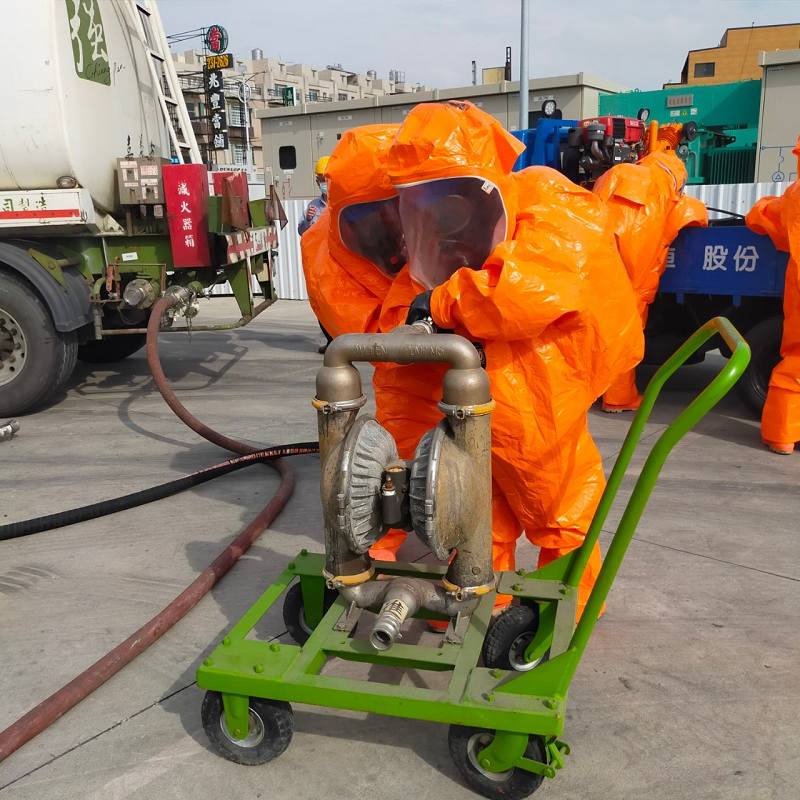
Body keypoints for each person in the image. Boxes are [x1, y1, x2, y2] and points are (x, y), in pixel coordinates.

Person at [375, 100, 643, 617]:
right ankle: (476, 598)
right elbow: (401, 342)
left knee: (556, 503)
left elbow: (522, 293)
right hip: (482, 388)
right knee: (477, 501)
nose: (438, 210)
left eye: (448, 192)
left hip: (544, 381)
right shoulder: (439, 234)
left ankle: (566, 609)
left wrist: (444, 303)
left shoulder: (551, 202)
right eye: (421, 198)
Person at [593, 143, 708, 412]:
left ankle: (590, 391)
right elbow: (697, 216)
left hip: (598, 267)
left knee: (594, 333)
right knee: (625, 339)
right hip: (634, 282)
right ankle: (618, 398)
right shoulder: (671, 196)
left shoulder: (617, 173)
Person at [746, 138, 800, 455]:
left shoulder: (794, 195)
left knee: (795, 359)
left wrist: (760, 208)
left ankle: (782, 436)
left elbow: (767, 219)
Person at [297, 156, 330, 236]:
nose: (325, 182)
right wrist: (308, 220)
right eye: (322, 180)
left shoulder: (341, 204)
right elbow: (301, 232)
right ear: (317, 182)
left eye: (327, 179)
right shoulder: (313, 206)